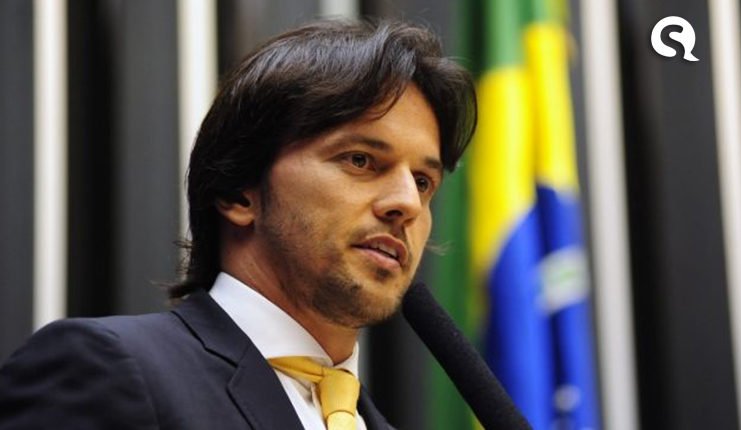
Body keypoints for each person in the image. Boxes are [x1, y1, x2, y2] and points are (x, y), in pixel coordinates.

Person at [0, 18, 476, 429]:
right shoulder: (106, 369)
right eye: (360, 160)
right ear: (238, 191)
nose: (407, 203)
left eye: (423, 181)